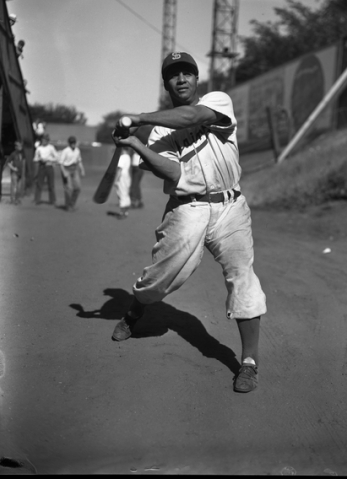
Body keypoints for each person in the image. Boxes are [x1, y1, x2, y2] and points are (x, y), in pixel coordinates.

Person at [110, 51, 267, 393]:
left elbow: (194, 115)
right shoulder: (156, 137)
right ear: (166, 83)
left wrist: (138, 117)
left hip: (230, 206)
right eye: (173, 75)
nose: (181, 79)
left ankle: (249, 363)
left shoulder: (216, 101)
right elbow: (174, 172)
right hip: (187, 209)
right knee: (162, 277)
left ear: (197, 79)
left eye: (187, 73)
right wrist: (137, 142)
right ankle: (135, 311)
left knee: (243, 276)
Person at [58, 136, 85, 211]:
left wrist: (82, 169)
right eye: (71, 143)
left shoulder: (77, 150)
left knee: (78, 188)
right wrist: (64, 172)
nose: (73, 144)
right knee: (68, 188)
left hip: (74, 169)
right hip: (66, 169)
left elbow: (79, 160)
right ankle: (68, 206)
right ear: (69, 143)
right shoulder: (65, 151)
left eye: (74, 143)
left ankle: (72, 204)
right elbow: (61, 163)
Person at [33, 133, 58, 205]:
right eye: (42, 140)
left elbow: (56, 158)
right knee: (39, 184)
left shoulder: (51, 148)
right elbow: (35, 158)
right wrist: (39, 159)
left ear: (47, 141)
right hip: (42, 167)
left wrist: (48, 159)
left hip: (49, 166)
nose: (43, 141)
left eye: (45, 140)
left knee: (51, 184)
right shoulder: (39, 148)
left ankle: (52, 200)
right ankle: (37, 199)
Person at [5, 140, 26, 204]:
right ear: (16, 147)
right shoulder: (13, 154)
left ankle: (17, 199)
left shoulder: (22, 154)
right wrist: (13, 168)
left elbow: (23, 162)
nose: (20, 147)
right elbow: (8, 162)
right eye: (19, 146)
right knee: (14, 185)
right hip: (15, 172)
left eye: (21, 145)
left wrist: (23, 171)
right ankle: (12, 199)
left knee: (19, 186)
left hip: (20, 172)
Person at [114, 146, 132, 219]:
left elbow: (120, 169)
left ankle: (122, 213)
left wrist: (116, 179)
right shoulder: (128, 157)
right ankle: (126, 212)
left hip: (122, 176)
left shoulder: (122, 157)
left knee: (121, 193)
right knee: (126, 193)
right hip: (127, 176)